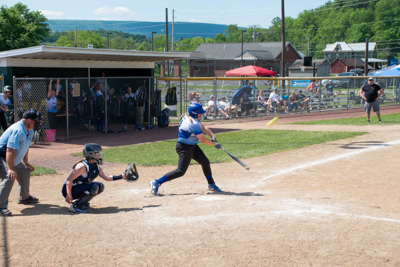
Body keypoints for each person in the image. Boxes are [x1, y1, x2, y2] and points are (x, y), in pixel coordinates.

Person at [149, 103, 222, 196]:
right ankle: (156, 182)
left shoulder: (191, 118)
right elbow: (203, 139)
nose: (201, 114)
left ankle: (211, 184)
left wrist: (213, 136)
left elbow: (203, 127)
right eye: (200, 113)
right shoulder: (192, 123)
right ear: (195, 113)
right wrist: (214, 144)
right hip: (184, 148)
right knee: (180, 171)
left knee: (205, 161)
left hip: (192, 146)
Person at [62, 143, 127, 214]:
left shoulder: (96, 166)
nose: (99, 155)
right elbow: (69, 180)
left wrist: (122, 176)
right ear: (91, 154)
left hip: (79, 187)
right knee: (94, 187)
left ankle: (82, 203)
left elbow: (107, 177)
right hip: (69, 189)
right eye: (97, 153)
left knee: (100, 186)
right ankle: (76, 207)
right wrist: (69, 195)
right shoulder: (82, 166)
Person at [0, 109, 42, 216]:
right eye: (35, 121)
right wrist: (10, 169)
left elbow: (26, 148)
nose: (36, 123)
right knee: (9, 177)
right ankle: (1, 206)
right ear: (28, 120)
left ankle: (24, 197)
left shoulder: (30, 130)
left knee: (24, 171)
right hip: (3, 157)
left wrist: (26, 163)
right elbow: (10, 150)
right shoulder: (18, 130)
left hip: (10, 158)